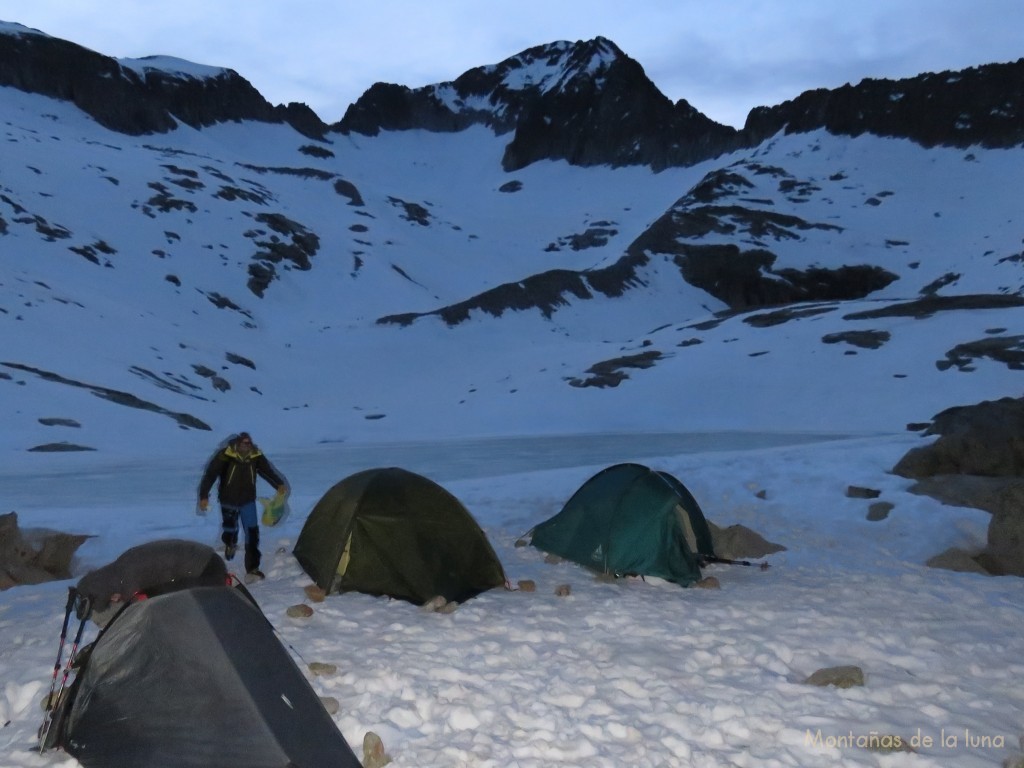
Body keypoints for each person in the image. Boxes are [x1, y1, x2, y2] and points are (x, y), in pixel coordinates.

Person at [198, 431, 286, 579]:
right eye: (245, 443)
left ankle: (252, 568)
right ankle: (230, 544)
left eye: (249, 443)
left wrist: (278, 483)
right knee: (230, 529)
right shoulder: (225, 455)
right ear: (238, 444)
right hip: (228, 500)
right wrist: (203, 496)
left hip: (248, 501)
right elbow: (210, 474)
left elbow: (266, 471)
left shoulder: (255, 456)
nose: (248, 446)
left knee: (252, 533)